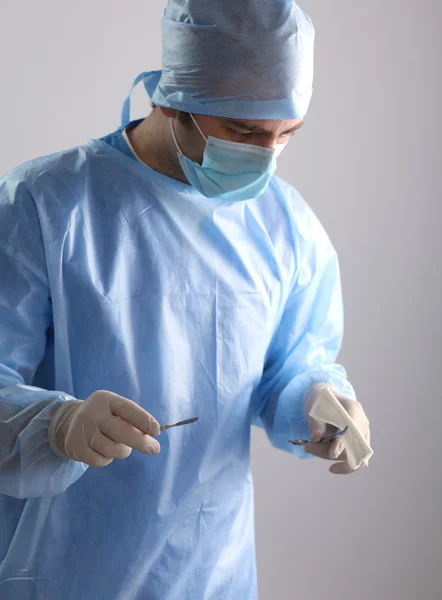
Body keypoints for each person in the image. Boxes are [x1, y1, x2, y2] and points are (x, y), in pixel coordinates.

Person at [0, 1, 371, 599]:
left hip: (213, 574)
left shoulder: (286, 225)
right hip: (64, 571)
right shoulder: (44, 205)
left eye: (286, 136)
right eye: (244, 132)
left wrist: (318, 406)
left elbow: (289, 368)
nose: (265, 156)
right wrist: (56, 424)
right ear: (173, 100)